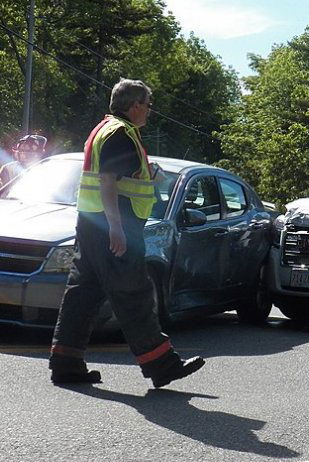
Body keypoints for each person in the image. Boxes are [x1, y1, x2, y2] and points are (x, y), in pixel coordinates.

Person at [49, 78, 204, 388]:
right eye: (147, 105)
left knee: (83, 293)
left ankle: (66, 362)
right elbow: (107, 181)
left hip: (92, 223)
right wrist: (117, 229)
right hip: (112, 227)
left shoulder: (105, 128)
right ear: (134, 106)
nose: (148, 111)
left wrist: (152, 175)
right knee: (134, 294)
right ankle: (161, 365)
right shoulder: (121, 134)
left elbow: (117, 179)